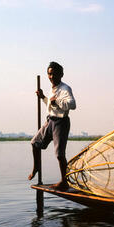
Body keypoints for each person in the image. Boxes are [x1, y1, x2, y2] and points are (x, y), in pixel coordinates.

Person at [28, 61, 76, 190]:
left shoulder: (65, 88)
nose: (51, 77)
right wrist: (43, 97)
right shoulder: (52, 89)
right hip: (50, 121)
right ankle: (37, 167)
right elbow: (51, 106)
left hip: (61, 123)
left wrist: (58, 101)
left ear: (61, 74)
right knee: (34, 143)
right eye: (49, 74)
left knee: (60, 154)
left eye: (54, 74)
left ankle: (64, 181)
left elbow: (72, 105)